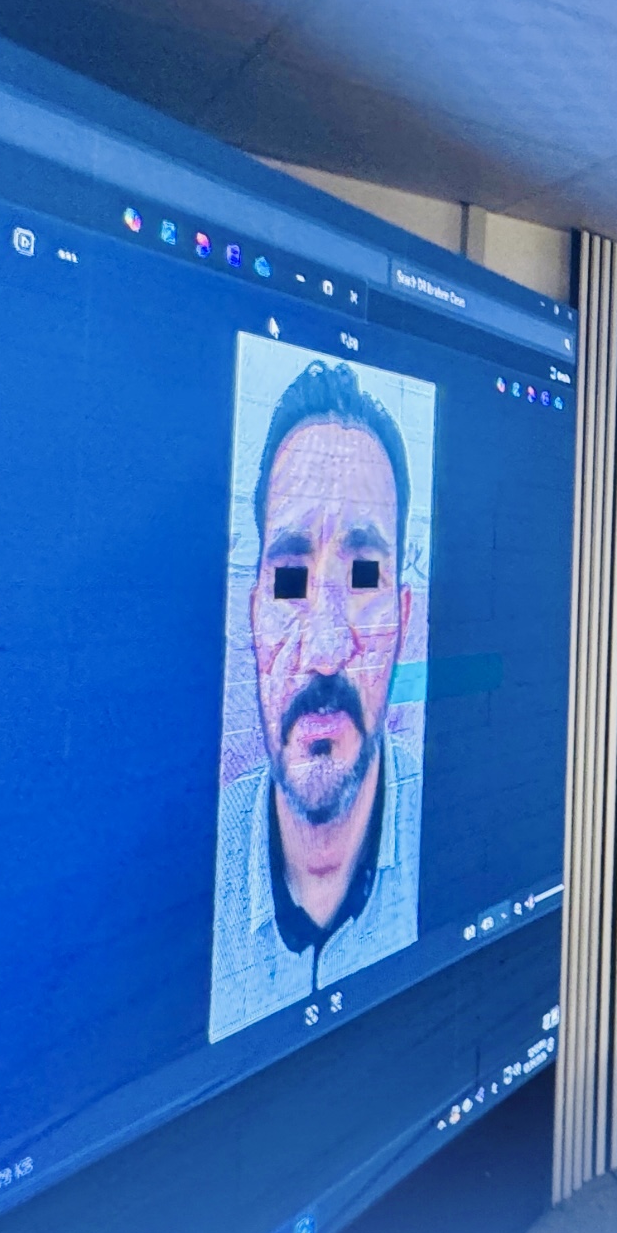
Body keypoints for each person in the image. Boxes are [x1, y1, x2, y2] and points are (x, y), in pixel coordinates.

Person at [210, 361, 423, 1042]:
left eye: (363, 576)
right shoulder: (194, 863)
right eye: (290, 579)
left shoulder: (455, 820)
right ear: (253, 617)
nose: (326, 649)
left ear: (402, 618)